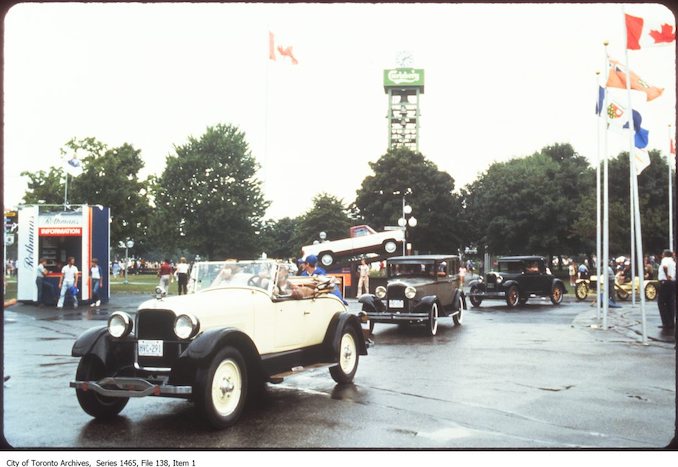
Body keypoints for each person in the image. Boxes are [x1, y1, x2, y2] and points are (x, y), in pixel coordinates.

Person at [657, 249, 676, 331]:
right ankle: (671, 322)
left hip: (665, 282)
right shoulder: (673, 261)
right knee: (670, 302)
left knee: (661, 302)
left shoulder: (665, 260)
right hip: (672, 282)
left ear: (665, 254)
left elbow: (665, 266)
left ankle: (666, 322)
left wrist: (667, 275)